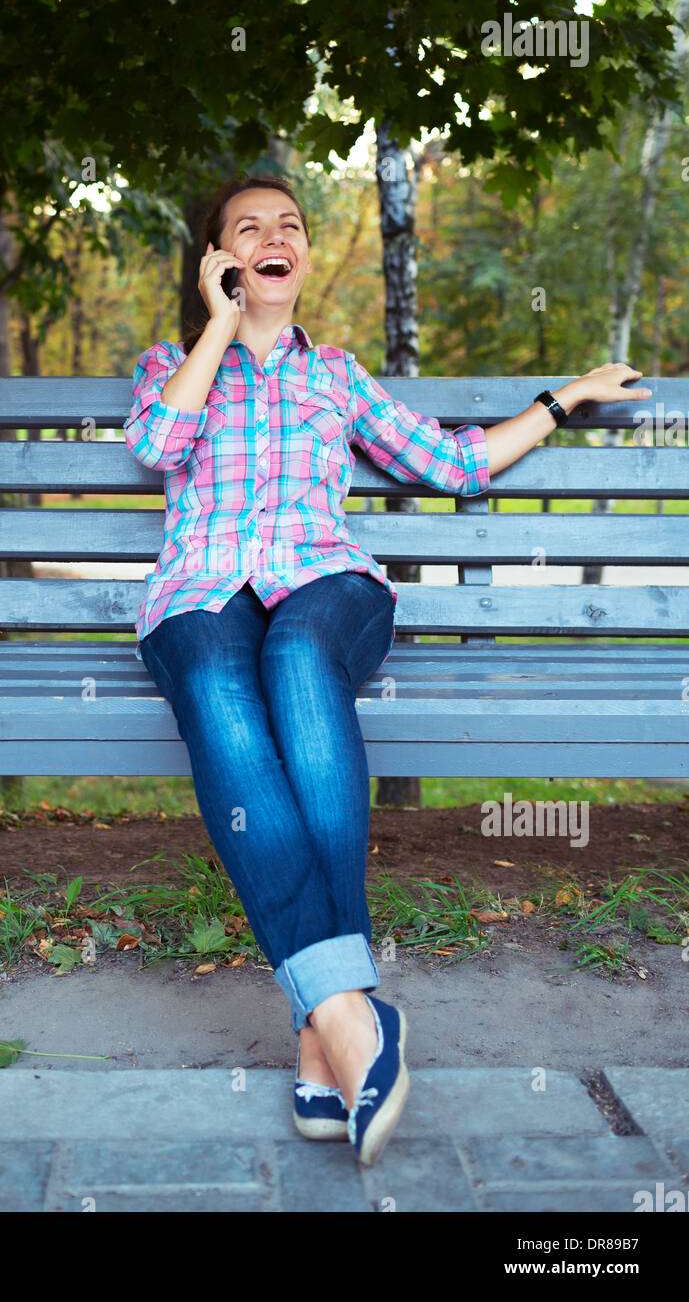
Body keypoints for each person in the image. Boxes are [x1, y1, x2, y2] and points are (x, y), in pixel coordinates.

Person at [122, 172, 650, 1167]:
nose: (274, 237)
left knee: (295, 652)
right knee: (219, 688)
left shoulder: (341, 377)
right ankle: (343, 1023)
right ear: (219, 260)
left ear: (307, 256)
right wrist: (215, 327)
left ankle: (334, 1025)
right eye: (248, 230)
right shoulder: (171, 362)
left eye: (289, 225)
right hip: (196, 593)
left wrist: (562, 398)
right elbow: (156, 443)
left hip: (327, 588)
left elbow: (453, 462)